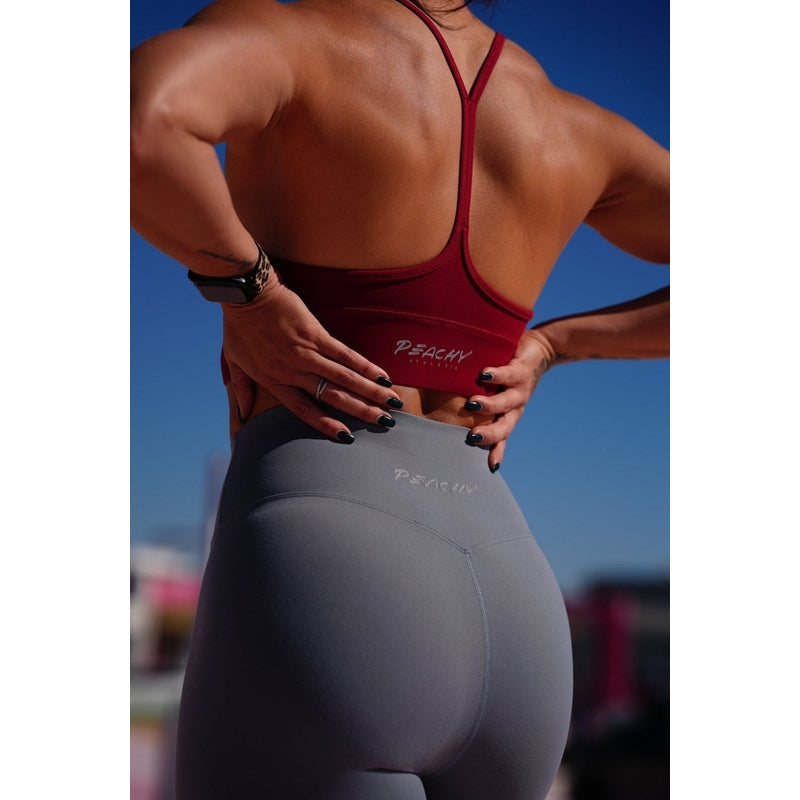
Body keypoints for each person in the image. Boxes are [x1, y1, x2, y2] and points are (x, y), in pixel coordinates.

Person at [130, 1, 669, 798]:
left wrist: (248, 292)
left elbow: (140, 125)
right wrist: (557, 343)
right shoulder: (574, 126)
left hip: (327, 569)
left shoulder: (292, 41)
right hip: (513, 593)